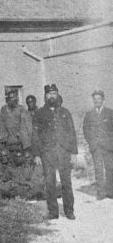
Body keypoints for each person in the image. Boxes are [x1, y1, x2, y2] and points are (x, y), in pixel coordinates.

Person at [33, 84, 78, 220]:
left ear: (57, 94)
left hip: (63, 151)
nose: (52, 96)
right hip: (47, 152)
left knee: (66, 182)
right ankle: (53, 212)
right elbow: (35, 134)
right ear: (45, 96)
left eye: (54, 93)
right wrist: (36, 154)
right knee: (49, 182)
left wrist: (74, 153)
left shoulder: (65, 112)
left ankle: (69, 211)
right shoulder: (39, 113)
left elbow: (71, 132)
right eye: (49, 94)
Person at [82, 90, 113, 200]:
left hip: (109, 146)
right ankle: (101, 193)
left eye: (99, 99)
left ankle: (110, 192)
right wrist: (91, 141)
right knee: (98, 169)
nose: (97, 101)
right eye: (95, 99)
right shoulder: (89, 114)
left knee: (110, 168)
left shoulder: (110, 113)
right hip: (96, 147)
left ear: (103, 100)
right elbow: (85, 129)